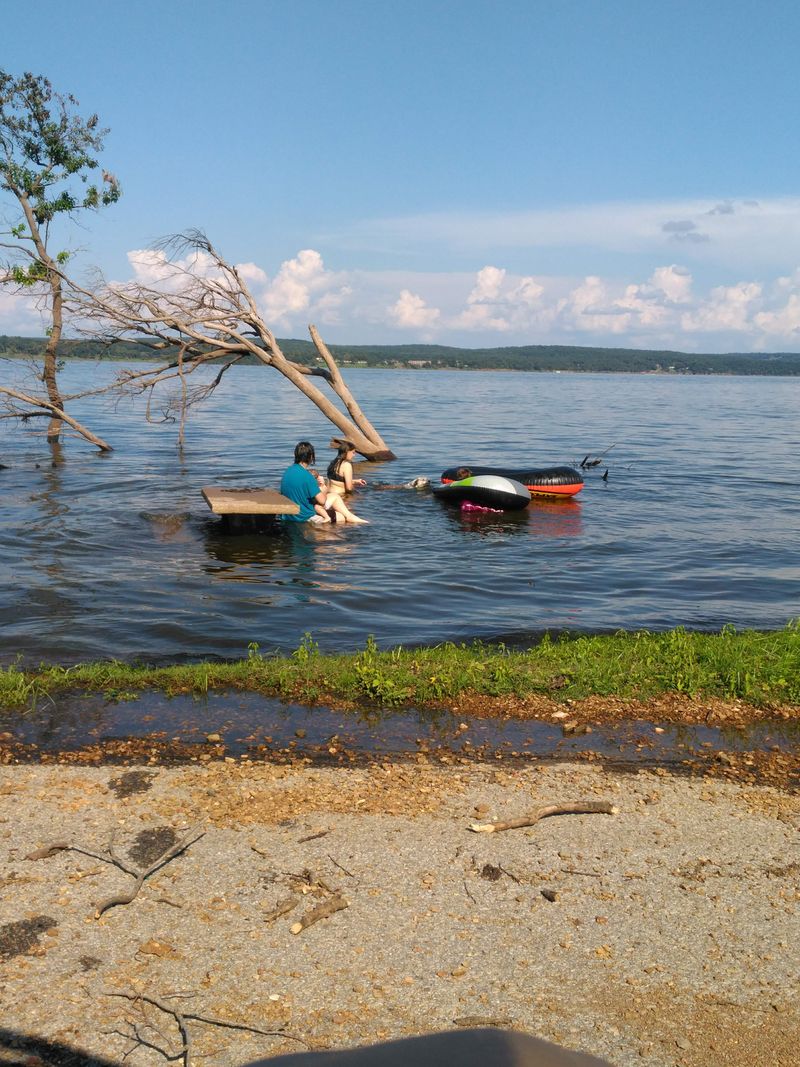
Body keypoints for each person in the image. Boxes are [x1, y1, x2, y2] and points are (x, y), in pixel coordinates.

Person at [280, 442, 368, 525]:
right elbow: (322, 501)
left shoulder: (288, 471)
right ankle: (351, 518)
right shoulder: (307, 476)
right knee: (341, 517)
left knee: (334, 496)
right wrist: (322, 486)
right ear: (311, 457)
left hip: (290, 513)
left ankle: (350, 516)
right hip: (303, 516)